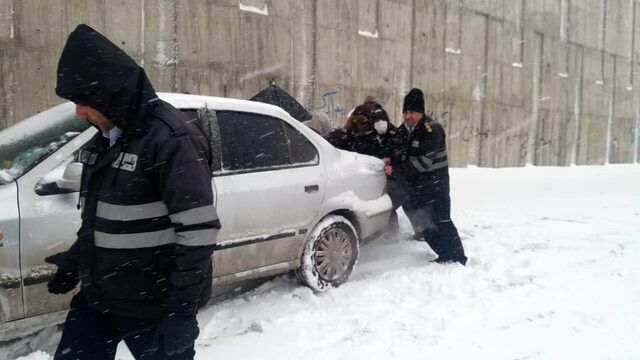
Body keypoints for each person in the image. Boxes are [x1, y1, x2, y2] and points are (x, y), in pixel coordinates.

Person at [45, 24, 220, 359]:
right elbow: (100, 214)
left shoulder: (171, 140)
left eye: (83, 102)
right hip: (101, 296)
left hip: (156, 305)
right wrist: (75, 259)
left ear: (108, 94)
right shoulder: (107, 139)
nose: (79, 113)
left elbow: (198, 231)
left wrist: (181, 311)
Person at [389, 88, 467, 265]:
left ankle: (457, 257)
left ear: (421, 113)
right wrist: (390, 159)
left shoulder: (432, 130)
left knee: (442, 222)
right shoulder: (404, 130)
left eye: (413, 112)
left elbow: (423, 163)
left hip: (435, 186)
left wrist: (396, 170)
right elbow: (399, 152)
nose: (408, 116)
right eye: (406, 112)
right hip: (417, 188)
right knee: (426, 225)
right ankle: (444, 255)